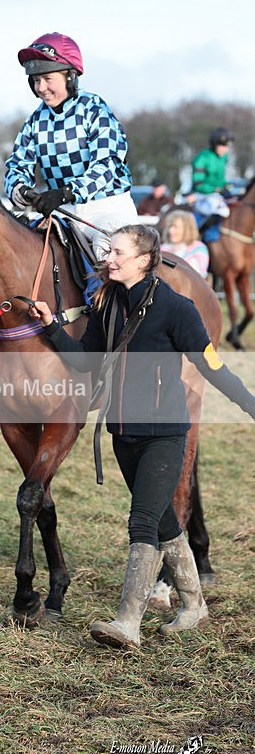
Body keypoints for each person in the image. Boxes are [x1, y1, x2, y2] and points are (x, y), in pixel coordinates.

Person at [28, 223, 255, 650]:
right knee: (165, 521)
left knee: (143, 521)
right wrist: (52, 327)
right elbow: (85, 362)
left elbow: (212, 367)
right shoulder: (108, 304)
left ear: (145, 260)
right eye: (109, 251)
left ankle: (127, 622)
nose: (108, 258)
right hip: (122, 434)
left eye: (117, 252)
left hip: (165, 435)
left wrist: (251, 405)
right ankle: (194, 605)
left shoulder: (177, 308)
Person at [4, 31, 138, 260]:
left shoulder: (96, 110)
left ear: (70, 76)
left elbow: (106, 166)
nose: (41, 88)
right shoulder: (35, 121)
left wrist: (67, 193)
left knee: (109, 255)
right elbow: (17, 165)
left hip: (107, 209)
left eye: (48, 79)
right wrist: (20, 190)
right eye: (36, 80)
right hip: (63, 213)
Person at [191, 127, 234, 239]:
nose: (226, 149)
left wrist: (225, 187)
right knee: (218, 210)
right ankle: (200, 236)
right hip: (201, 195)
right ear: (214, 144)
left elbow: (221, 179)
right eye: (223, 146)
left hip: (217, 194)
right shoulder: (202, 157)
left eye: (227, 146)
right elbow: (198, 184)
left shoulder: (223, 157)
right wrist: (216, 189)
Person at [161, 209, 209, 278]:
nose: (170, 230)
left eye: (175, 227)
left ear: (187, 229)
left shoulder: (199, 248)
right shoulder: (163, 247)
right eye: (170, 226)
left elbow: (199, 275)